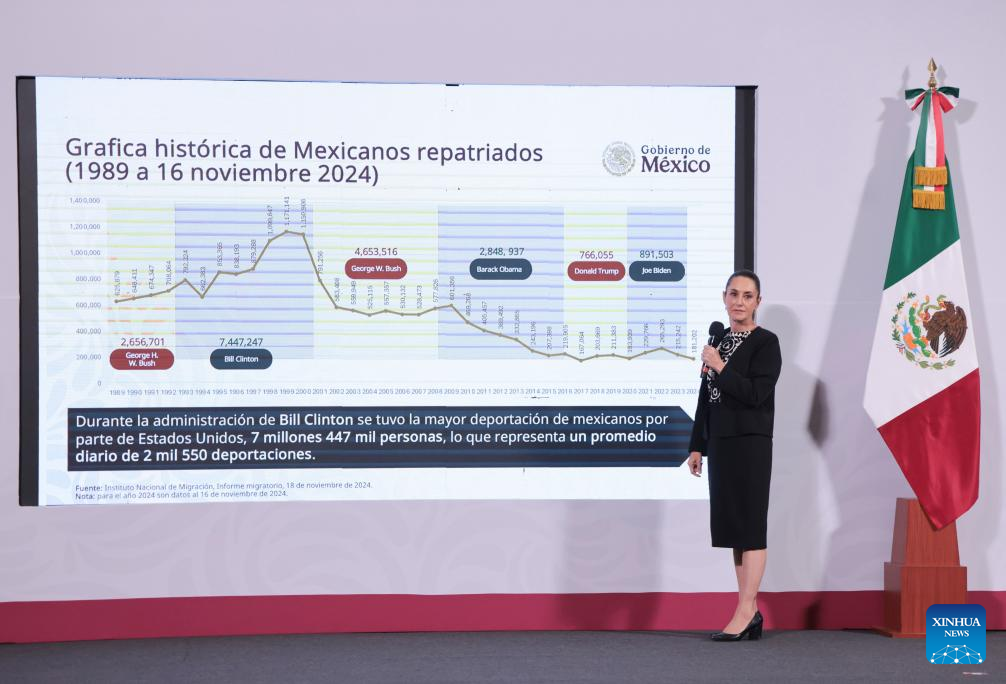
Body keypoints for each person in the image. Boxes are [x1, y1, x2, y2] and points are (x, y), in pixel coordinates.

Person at [686, 269, 781, 642]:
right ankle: (749, 611)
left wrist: (721, 366)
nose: (739, 301)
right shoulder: (720, 340)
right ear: (724, 297)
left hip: (750, 443)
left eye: (747, 295)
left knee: (751, 527)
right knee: (734, 529)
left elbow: (756, 394)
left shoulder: (766, 343)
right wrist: (697, 444)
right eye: (733, 294)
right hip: (722, 443)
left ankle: (745, 610)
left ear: (758, 301)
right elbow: (705, 396)